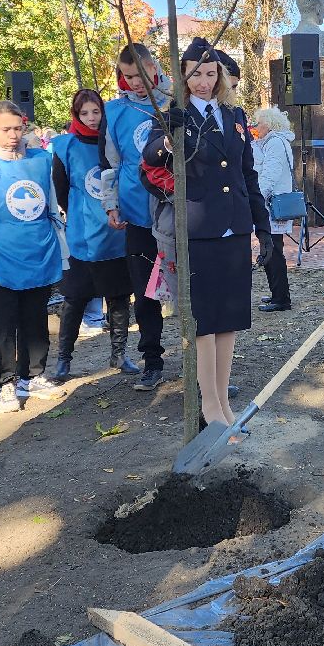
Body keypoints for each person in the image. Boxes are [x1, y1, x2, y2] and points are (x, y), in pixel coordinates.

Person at [143, 40, 272, 428]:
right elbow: (149, 156)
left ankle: (223, 402)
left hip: (235, 227)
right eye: (196, 73)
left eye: (211, 73)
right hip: (199, 230)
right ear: (183, 75)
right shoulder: (172, 115)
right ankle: (209, 406)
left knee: (229, 318)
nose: (204, 81)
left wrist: (262, 227)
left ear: (220, 76)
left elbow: (246, 173)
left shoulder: (234, 114)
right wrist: (169, 140)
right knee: (204, 322)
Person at [0, 100, 68, 413]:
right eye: (5, 129)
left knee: (35, 317)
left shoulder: (39, 161)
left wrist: (62, 253)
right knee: (2, 323)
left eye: (18, 128)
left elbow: (51, 206)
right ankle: (5, 382)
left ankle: (32, 375)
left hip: (36, 251)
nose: (13, 135)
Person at [49, 89, 134, 381]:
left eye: (96, 111)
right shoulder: (65, 147)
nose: (91, 118)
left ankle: (119, 354)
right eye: (84, 113)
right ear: (76, 115)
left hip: (115, 233)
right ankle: (64, 359)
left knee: (119, 296)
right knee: (75, 298)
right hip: (83, 235)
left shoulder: (114, 140)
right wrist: (78, 212)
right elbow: (60, 190)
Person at [101, 42, 170, 390]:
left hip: (174, 211)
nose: (136, 82)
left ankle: (204, 366)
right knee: (144, 294)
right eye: (128, 77)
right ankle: (152, 361)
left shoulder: (175, 102)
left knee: (191, 289)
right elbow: (111, 163)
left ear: (153, 67)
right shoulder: (115, 112)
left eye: (141, 74)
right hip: (136, 214)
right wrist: (111, 203)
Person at [253, 105, 297, 311]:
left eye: (259, 123)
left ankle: (281, 298)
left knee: (273, 250)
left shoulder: (275, 143)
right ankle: (277, 294)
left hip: (272, 205)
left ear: (269, 125)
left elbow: (270, 175)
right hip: (273, 203)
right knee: (271, 248)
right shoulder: (275, 142)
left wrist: (256, 199)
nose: (256, 127)